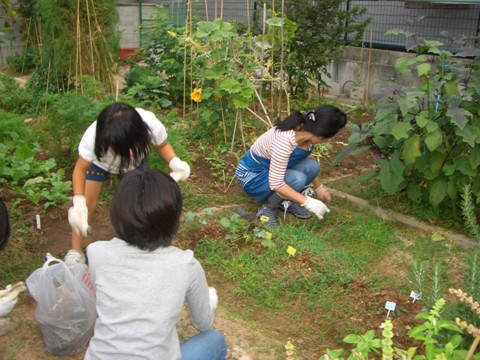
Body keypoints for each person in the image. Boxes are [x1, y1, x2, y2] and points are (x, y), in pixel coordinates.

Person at [85, 169, 227, 360]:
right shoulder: (186, 265)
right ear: (174, 219)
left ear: (118, 215)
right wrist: (209, 299)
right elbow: (203, 323)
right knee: (214, 340)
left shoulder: (96, 253)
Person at [66, 102, 191, 264]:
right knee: (87, 205)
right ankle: (75, 251)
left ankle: (137, 246)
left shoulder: (150, 124)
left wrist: (175, 162)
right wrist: (78, 202)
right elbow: (80, 170)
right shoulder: (93, 137)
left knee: (137, 204)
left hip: (134, 165)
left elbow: (163, 145)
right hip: (100, 164)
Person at [235, 105, 347, 227]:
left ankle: (284, 200)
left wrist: (318, 187)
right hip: (252, 177)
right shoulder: (284, 141)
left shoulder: (305, 132)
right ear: (321, 136)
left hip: (271, 171)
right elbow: (276, 183)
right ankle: (267, 209)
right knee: (297, 179)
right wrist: (307, 202)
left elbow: (297, 160)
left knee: (312, 166)